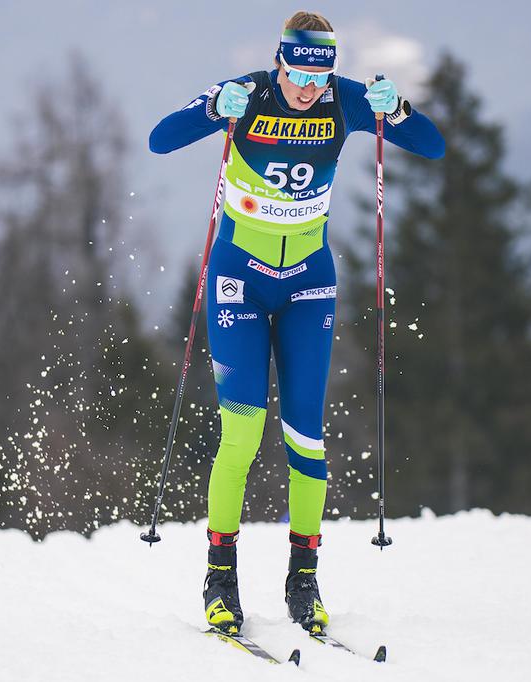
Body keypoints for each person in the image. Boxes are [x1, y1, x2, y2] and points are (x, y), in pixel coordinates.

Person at [149, 11, 444, 635]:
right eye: (298, 74)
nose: (309, 90)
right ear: (279, 63)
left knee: (306, 436)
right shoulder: (249, 94)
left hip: (309, 282)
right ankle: (219, 578)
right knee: (242, 432)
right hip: (238, 280)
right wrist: (209, 111)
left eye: (321, 76)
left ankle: (303, 580)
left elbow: (433, 145)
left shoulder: (345, 100)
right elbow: (159, 138)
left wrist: (397, 113)